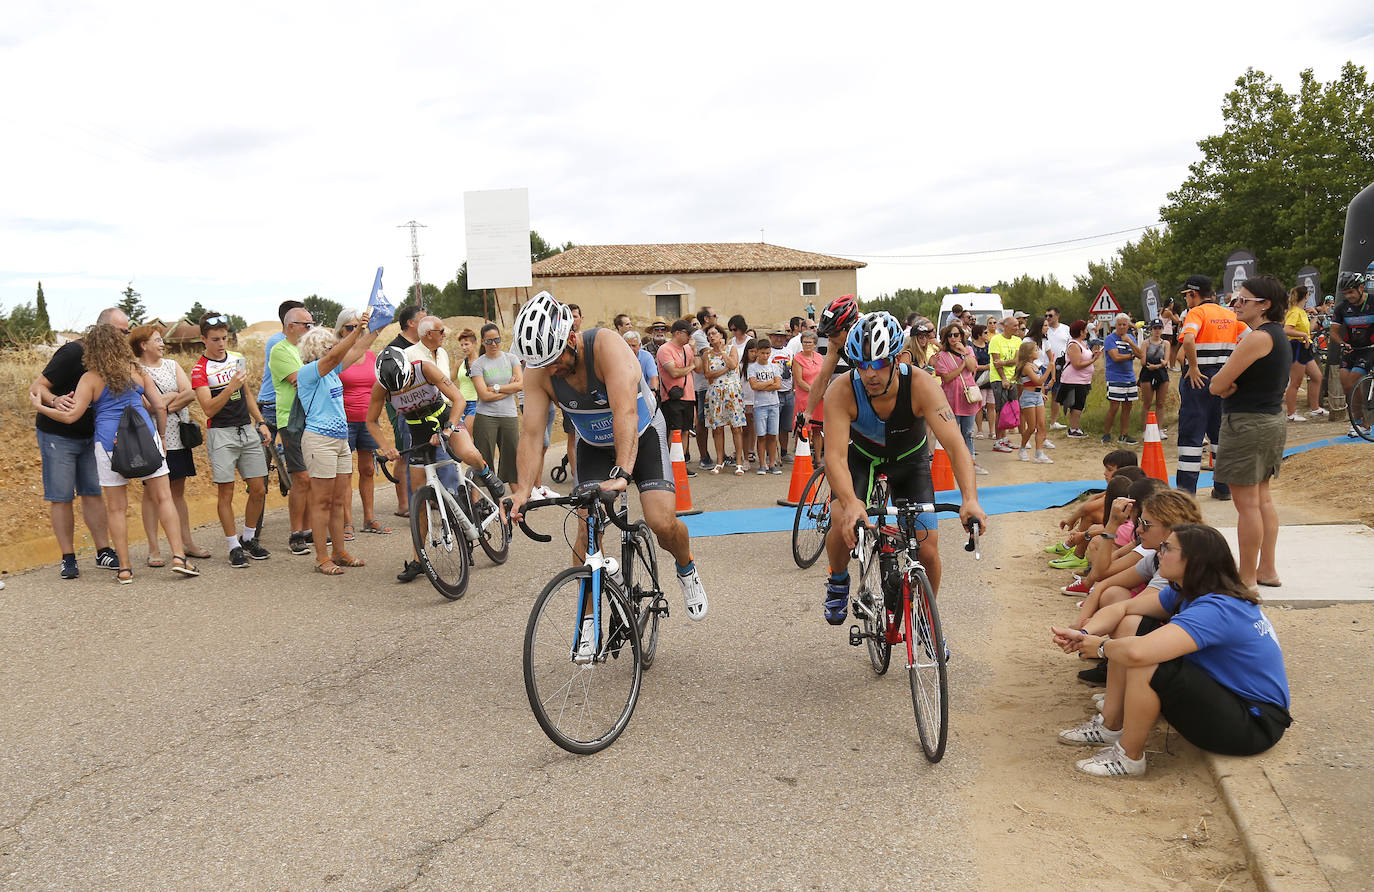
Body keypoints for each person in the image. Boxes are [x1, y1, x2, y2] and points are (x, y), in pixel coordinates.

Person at [508, 291, 709, 620]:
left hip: (642, 435)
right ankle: (589, 619)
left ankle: (686, 567)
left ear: (572, 336)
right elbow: (531, 435)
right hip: (594, 446)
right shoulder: (539, 371)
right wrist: (522, 490)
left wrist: (621, 474)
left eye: (557, 358)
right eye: (544, 364)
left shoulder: (607, 347)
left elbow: (626, 413)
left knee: (661, 522)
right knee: (586, 531)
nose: (553, 369)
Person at [1051, 524, 1291, 778]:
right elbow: (1123, 609)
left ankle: (1128, 757)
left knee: (1147, 660)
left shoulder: (1218, 608)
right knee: (1132, 627)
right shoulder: (1191, 591)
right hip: (1232, 701)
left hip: (1253, 725)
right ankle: (1111, 725)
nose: (1159, 553)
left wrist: (1100, 648)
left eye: (1167, 548)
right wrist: (1085, 634)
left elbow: (1139, 653)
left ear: (1194, 560)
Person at [821, 312, 988, 626]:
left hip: (909, 461)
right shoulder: (841, 391)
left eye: (879, 363)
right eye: (862, 364)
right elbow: (835, 458)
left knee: (927, 550)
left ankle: (926, 620)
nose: (870, 374)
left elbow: (955, 445)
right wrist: (852, 502)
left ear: (896, 359)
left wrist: (970, 499)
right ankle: (838, 579)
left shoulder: (921, 384)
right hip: (862, 459)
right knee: (840, 518)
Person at [32, 324, 198, 582]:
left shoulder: (89, 379)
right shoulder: (137, 371)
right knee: (164, 498)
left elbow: (71, 416)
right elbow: (158, 407)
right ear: (121, 346)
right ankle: (179, 557)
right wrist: (163, 437)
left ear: (93, 350)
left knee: (116, 508)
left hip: (109, 444)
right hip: (145, 438)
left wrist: (41, 407)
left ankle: (124, 569)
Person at [367, 345, 507, 583]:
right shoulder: (381, 386)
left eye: (404, 383)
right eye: (396, 389)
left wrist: (449, 427)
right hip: (418, 433)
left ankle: (484, 472)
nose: (401, 390)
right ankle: (418, 559)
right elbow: (371, 421)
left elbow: (459, 399)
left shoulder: (425, 369)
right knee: (418, 500)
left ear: (407, 368)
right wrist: (385, 447)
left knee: (466, 453)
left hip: (444, 419)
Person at [1208, 275, 1291, 589]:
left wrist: (1226, 387)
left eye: (1243, 300)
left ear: (1265, 305)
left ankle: (1246, 578)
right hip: (1270, 420)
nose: (1236, 305)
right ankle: (1266, 570)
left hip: (1246, 424)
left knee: (1248, 505)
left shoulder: (1256, 338)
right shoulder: (1278, 335)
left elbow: (1216, 384)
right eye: (1235, 299)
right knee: (1263, 499)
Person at [29, 308, 121, 579]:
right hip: (57, 434)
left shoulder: (111, 357)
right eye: (121, 331)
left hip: (90, 435)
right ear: (102, 329)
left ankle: (103, 551)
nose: (125, 337)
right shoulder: (72, 353)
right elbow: (37, 388)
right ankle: (68, 557)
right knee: (62, 496)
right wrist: (55, 400)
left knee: (92, 492)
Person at [293, 315, 375, 575]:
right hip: (320, 440)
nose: (334, 349)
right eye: (329, 346)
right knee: (322, 501)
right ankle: (321, 557)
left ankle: (339, 552)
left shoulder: (332, 370)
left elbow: (358, 350)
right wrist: (355, 331)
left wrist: (374, 329)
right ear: (318, 350)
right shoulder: (309, 372)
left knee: (338, 500)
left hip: (339, 440)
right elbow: (334, 357)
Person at [192, 311, 273, 567]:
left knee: (259, 488)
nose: (220, 344)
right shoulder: (199, 369)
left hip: (246, 428)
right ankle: (232, 545)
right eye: (215, 339)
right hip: (221, 433)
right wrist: (229, 388)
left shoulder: (237, 358)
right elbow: (208, 408)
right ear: (204, 339)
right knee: (225, 491)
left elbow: (248, 393)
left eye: (224, 338)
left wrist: (260, 421)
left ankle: (248, 537)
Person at [131, 324, 207, 566]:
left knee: (178, 492)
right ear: (143, 345)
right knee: (151, 494)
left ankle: (187, 542)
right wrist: (170, 399)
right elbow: (145, 405)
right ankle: (153, 549)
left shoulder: (173, 366)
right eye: (157, 340)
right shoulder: (135, 370)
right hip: (152, 438)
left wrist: (163, 404)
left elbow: (190, 393)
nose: (162, 343)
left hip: (178, 437)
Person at [1176, 275, 1242, 498]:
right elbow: (1251, 338)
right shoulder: (1229, 314)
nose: (1185, 300)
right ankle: (1223, 488)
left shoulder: (1196, 313)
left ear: (1193, 294)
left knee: (1191, 437)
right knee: (1220, 434)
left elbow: (1188, 339)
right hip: (1224, 379)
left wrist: (1193, 367)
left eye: (1185, 296)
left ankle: (1186, 494)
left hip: (1199, 380)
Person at [335, 309, 389, 536]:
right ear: (340, 330)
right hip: (344, 420)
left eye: (360, 327)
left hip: (368, 420)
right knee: (345, 472)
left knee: (367, 469)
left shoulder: (371, 356)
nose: (356, 332)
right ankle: (347, 521)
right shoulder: (337, 356)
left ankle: (369, 517)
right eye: (350, 327)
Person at [257, 299, 307, 532]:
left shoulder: (300, 343)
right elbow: (299, 378)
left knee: (298, 471)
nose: (310, 327)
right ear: (289, 322)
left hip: (285, 406)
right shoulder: (278, 342)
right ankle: (254, 528)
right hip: (272, 405)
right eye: (305, 322)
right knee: (262, 469)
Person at [381, 304, 425, 517]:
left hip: (422, 408)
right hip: (400, 409)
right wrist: (398, 406)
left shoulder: (422, 345)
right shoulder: (394, 349)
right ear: (411, 323)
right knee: (403, 454)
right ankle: (403, 504)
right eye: (422, 319)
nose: (426, 323)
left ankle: (426, 497)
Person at [931, 322, 987, 474]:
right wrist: (961, 366)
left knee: (968, 432)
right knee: (953, 434)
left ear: (962, 336)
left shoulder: (968, 349)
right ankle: (954, 464)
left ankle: (971, 463)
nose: (954, 338)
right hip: (951, 398)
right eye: (950, 336)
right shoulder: (942, 356)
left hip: (968, 398)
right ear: (946, 338)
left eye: (957, 335)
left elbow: (972, 367)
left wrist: (965, 353)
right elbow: (947, 377)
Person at [471, 323, 522, 483]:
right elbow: (484, 396)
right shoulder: (478, 364)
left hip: (509, 416)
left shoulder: (511, 359)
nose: (494, 344)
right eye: (489, 341)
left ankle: (516, 501)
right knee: (483, 459)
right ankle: (478, 499)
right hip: (486, 417)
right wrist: (509, 389)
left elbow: (521, 385)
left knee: (512, 458)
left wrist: (496, 388)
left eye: (497, 340)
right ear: (483, 342)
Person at [700, 323, 747, 475]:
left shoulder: (731, 348)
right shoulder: (707, 354)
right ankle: (719, 461)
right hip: (715, 392)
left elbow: (733, 364)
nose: (711, 336)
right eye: (709, 335)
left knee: (736, 427)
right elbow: (707, 374)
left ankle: (739, 462)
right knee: (717, 428)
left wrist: (722, 352)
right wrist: (725, 369)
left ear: (721, 335)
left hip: (732, 391)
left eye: (714, 333)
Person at [1332, 270, 1374, 435]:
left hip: (1370, 350)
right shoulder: (1342, 308)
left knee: (1352, 382)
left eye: (1351, 292)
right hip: (1351, 349)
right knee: (1346, 385)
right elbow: (1334, 332)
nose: (1348, 296)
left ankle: (1361, 423)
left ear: (1361, 287)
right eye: (1345, 293)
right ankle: (1359, 422)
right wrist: (1342, 343)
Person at [656, 319, 697, 475]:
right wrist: (691, 366)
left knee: (686, 430)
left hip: (688, 395)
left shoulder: (688, 349)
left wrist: (696, 351)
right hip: (672, 397)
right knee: (675, 431)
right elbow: (673, 372)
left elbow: (698, 366)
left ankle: (681, 463)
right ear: (678, 333)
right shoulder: (665, 350)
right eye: (688, 334)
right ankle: (669, 465)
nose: (689, 338)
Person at [1283, 286, 1327, 422]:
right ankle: (1291, 414)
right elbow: (1286, 329)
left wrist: (1315, 317)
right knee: (1296, 382)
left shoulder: (1302, 312)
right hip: (1296, 346)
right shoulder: (1295, 312)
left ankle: (1315, 408)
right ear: (1306, 296)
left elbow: (1308, 328)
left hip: (1304, 347)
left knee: (1317, 376)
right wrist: (1303, 335)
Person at [1101, 313, 1143, 446]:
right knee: (1114, 407)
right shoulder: (1110, 339)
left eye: (1125, 324)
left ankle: (1123, 434)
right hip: (1115, 376)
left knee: (1128, 406)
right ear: (1115, 325)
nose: (1122, 327)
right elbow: (1116, 357)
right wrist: (1131, 355)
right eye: (1119, 324)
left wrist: (1130, 342)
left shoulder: (1130, 337)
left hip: (1129, 376)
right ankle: (1106, 434)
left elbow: (1141, 354)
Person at [746, 338, 783, 474]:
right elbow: (754, 386)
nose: (765, 356)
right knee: (761, 435)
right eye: (762, 353)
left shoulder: (774, 367)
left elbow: (778, 385)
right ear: (757, 353)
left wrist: (764, 385)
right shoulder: (752, 368)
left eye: (768, 353)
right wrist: (770, 383)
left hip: (774, 404)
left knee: (773, 435)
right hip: (760, 405)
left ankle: (772, 463)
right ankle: (762, 464)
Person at [1013, 340, 1053, 463]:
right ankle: (1022, 448)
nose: (1038, 352)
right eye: (1035, 350)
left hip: (1037, 396)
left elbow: (1038, 384)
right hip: (1028, 397)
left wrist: (1041, 393)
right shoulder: (1026, 367)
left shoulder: (1034, 365)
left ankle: (1039, 453)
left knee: (1041, 425)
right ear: (1029, 353)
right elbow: (1039, 381)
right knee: (1031, 427)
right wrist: (1049, 369)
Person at [988, 315, 1022, 453]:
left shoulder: (1018, 340)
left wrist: (1005, 363)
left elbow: (1017, 360)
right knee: (1000, 410)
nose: (1017, 328)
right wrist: (1003, 379)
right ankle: (998, 440)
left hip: (1012, 378)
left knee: (1009, 409)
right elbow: (996, 363)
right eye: (1014, 326)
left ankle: (1004, 438)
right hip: (998, 379)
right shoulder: (996, 340)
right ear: (1006, 326)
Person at [1059, 320, 1098, 439]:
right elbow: (1077, 364)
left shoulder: (1082, 343)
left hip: (1082, 380)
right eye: (1085, 329)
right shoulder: (1074, 345)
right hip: (1074, 380)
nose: (1087, 332)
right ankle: (1073, 428)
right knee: (1076, 406)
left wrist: (1092, 355)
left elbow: (1083, 357)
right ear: (1081, 331)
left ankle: (1075, 427)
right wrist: (1093, 360)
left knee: (1079, 405)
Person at [1137, 319, 1170, 437]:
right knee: (1147, 402)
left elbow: (1166, 360)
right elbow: (1143, 361)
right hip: (1147, 372)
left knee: (1160, 403)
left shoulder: (1166, 343)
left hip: (1161, 373)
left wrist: (1158, 365)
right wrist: (1152, 365)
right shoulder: (1146, 343)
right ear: (1151, 330)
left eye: (1159, 328)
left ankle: (1159, 429)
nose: (1157, 330)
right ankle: (1146, 429)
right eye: (1155, 328)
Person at [767, 328, 795, 461]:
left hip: (788, 391)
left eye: (782, 337)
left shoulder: (789, 352)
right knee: (772, 425)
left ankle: (784, 451)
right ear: (771, 337)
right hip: (774, 392)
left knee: (785, 426)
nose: (779, 339)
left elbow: (794, 369)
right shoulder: (768, 352)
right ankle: (770, 452)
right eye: (776, 336)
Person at [1042, 307, 1070, 429]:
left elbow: (1069, 345)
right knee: (1041, 394)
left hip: (1060, 365)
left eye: (1050, 315)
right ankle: (1039, 422)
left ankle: (1053, 422)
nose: (1048, 318)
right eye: (1046, 315)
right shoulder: (1044, 328)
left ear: (1057, 316)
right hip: (1044, 364)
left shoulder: (1065, 329)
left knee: (1056, 394)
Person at [968, 324, 995, 439]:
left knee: (992, 405)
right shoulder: (971, 347)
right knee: (979, 405)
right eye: (985, 333)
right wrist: (985, 367)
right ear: (978, 334)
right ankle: (979, 430)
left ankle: (992, 430)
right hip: (978, 379)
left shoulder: (990, 346)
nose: (987, 335)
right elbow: (971, 365)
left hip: (991, 378)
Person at [453, 329, 480, 433]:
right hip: (461, 403)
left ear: (475, 344)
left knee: (467, 433)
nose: (464, 347)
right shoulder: (459, 363)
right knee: (460, 435)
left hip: (475, 402)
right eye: (462, 345)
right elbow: (448, 380)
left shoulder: (482, 362)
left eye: (466, 344)